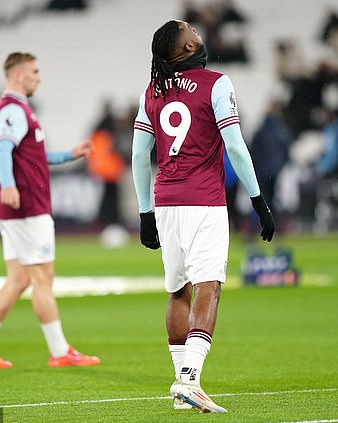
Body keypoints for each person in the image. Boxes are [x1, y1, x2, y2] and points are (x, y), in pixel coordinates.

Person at [131, 20, 274, 413]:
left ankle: (181, 385)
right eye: (189, 29)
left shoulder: (153, 90)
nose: (195, 28)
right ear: (188, 46)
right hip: (204, 203)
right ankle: (190, 379)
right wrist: (259, 200)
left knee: (178, 290)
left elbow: (139, 156)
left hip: (166, 202)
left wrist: (145, 212)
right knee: (208, 287)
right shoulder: (217, 83)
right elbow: (235, 147)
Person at [0, 52, 100, 368]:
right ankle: (60, 352)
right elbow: (2, 150)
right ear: (17, 75)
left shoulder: (20, 110)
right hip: (26, 207)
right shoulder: (13, 109)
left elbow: (33, 157)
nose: (40, 77)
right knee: (43, 277)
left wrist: (70, 154)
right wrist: (8, 184)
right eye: (35, 71)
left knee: (19, 279)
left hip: (20, 208)